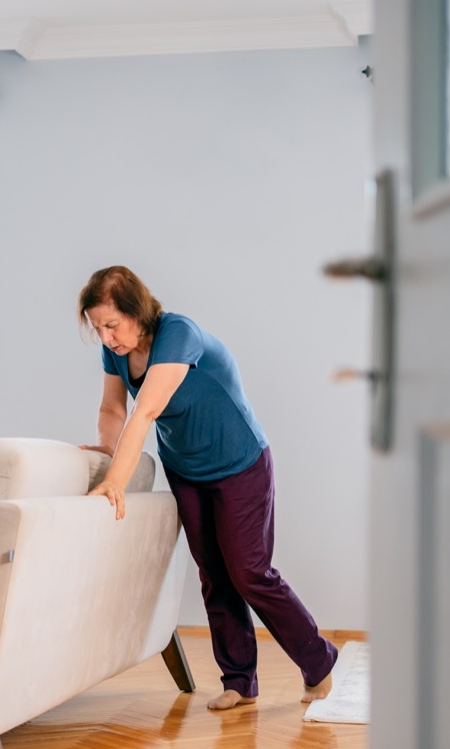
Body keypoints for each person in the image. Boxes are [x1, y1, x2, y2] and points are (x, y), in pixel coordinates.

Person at [77, 264, 338, 711]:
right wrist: (105, 449)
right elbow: (112, 407)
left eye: (112, 325)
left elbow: (145, 413)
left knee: (249, 572)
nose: (106, 337)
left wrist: (114, 482)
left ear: (137, 312)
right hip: (187, 470)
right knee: (214, 576)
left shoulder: (179, 334)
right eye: (98, 328)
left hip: (241, 463)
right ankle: (239, 681)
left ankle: (319, 661)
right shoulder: (116, 352)